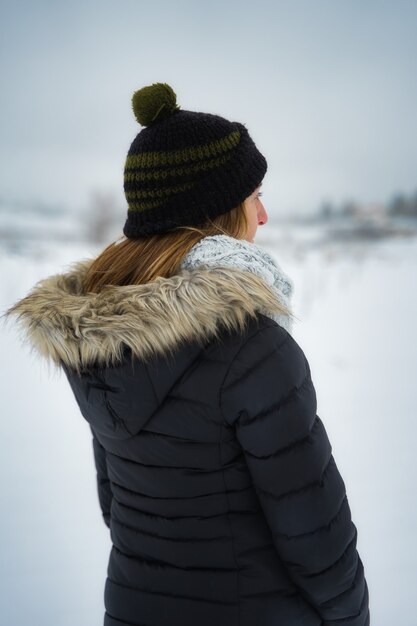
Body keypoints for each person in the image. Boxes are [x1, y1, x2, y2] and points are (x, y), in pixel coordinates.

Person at [3, 82, 370, 626]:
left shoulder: (104, 337)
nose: (264, 216)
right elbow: (316, 534)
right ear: (218, 211)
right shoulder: (254, 347)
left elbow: (116, 505)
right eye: (254, 195)